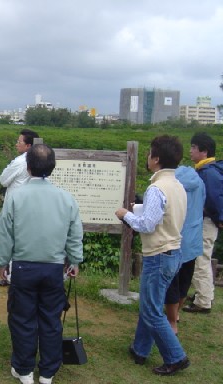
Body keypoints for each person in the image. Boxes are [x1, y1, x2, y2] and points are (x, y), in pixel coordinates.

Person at [0, 144, 83, 384]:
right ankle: (47, 372)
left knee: (22, 319)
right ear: (52, 168)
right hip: (54, 269)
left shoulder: (16, 197)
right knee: (51, 320)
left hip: (23, 267)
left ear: (28, 166)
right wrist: (74, 261)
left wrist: (2, 262)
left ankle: (24, 371)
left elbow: (5, 234)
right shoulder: (66, 198)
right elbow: (75, 234)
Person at [115, 135, 189, 376]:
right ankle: (140, 349)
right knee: (151, 305)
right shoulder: (177, 185)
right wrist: (138, 208)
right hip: (173, 252)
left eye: (149, 154)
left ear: (156, 159)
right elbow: (163, 215)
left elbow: (147, 224)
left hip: (158, 255)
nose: (147, 157)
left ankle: (175, 357)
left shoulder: (157, 188)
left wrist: (125, 213)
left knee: (151, 310)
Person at [183, 132, 222, 314]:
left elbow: (213, 200)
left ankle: (204, 301)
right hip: (205, 221)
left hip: (207, 222)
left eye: (193, 147)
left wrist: (219, 219)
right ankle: (203, 295)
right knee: (201, 258)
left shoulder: (208, 172)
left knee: (201, 259)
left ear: (204, 151)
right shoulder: (207, 169)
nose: (190, 151)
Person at [164, 166, 205, 333]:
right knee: (185, 282)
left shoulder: (172, 184)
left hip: (176, 239)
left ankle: (171, 322)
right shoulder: (199, 181)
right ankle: (176, 315)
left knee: (172, 283)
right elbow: (203, 203)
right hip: (193, 239)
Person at [0, 129, 39, 287]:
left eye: (19, 142)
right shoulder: (38, 160)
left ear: (28, 145)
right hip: (32, 208)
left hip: (15, 207)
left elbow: (3, 180)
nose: (16, 144)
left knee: (12, 242)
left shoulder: (20, 162)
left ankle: (11, 277)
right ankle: (15, 276)